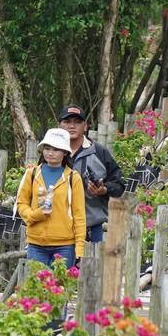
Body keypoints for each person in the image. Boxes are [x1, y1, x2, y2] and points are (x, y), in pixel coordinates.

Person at [16, 127, 86, 266]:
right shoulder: (32, 174)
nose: (50, 153)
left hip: (65, 246)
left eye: (56, 149)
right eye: (47, 148)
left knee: (59, 287)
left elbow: (79, 215)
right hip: (35, 245)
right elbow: (21, 203)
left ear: (65, 152)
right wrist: (35, 215)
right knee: (35, 287)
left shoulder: (73, 177)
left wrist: (79, 248)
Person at [56, 104, 125, 246]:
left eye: (77, 122)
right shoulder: (50, 153)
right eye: (67, 121)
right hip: (56, 228)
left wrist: (104, 189)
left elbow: (119, 185)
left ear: (85, 126)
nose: (72, 126)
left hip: (91, 228)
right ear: (59, 125)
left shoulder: (99, 153)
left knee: (91, 267)